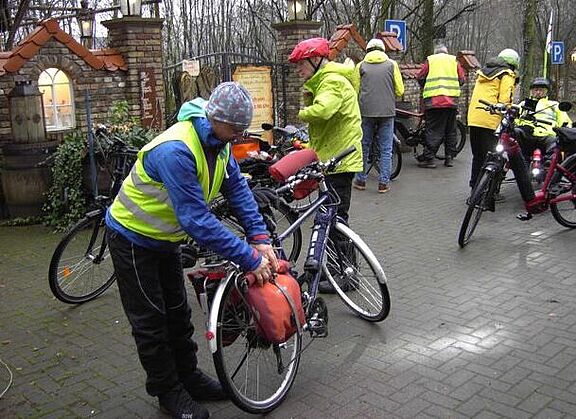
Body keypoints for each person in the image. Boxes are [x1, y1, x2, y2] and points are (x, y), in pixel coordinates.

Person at [105, 82, 279, 419]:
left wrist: (259, 236)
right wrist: (248, 257)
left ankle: (189, 377)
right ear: (214, 117)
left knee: (177, 312)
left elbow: (237, 189)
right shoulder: (177, 150)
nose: (239, 136)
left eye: (243, 129)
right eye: (234, 129)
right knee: (151, 321)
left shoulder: (220, 142)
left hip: (164, 239)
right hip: (133, 240)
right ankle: (167, 391)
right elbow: (196, 221)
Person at [288, 37, 363, 293]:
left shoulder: (331, 81)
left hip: (340, 161)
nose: (299, 70)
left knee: (337, 219)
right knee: (330, 217)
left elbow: (323, 111)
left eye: (301, 64)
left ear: (316, 59)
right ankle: (334, 270)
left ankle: (349, 275)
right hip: (331, 157)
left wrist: (301, 111)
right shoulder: (323, 80)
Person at [353, 38, 404, 194]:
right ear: (383, 50)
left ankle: (361, 180)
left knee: (364, 146)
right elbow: (400, 90)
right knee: (386, 149)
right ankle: (383, 184)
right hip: (387, 112)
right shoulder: (392, 65)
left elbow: (355, 90)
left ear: (368, 50)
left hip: (366, 112)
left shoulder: (360, 66)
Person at [467, 48, 519, 188]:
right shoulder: (506, 74)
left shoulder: (483, 73)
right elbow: (505, 101)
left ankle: (474, 188)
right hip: (490, 120)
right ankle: (490, 191)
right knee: (493, 156)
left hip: (474, 118)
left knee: (478, 156)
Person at [416, 42, 466, 168]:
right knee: (450, 130)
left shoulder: (431, 60)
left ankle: (429, 159)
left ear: (436, 52)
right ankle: (449, 158)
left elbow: (420, 76)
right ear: (446, 51)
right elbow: (462, 80)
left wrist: (424, 86)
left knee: (433, 130)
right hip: (451, 102)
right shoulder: (454, 61)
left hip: (434, 101)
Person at [515, 77, 572, 163]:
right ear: (531, 91)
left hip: (547, 135)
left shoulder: (554, 105)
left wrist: (565, 130)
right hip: (528, 134)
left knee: (554, 143)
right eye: (535, 90)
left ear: (546, 92)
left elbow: (565, 121)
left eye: (541, 90)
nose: (538, 92)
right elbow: (514, 117)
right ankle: (515, 162)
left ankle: (549, 165)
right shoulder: (523, 104)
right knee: (516, 133)